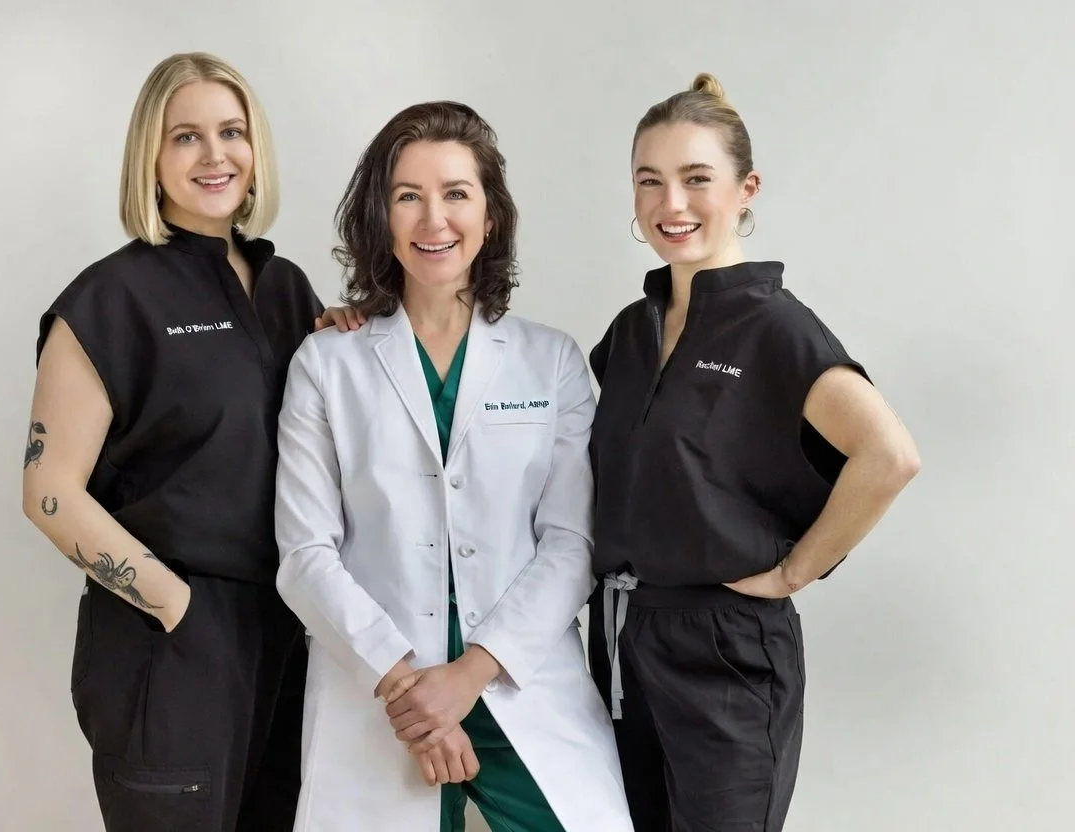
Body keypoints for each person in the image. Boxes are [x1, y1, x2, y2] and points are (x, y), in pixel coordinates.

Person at [275, 101, 633, 832]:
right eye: (408, 196)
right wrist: (412, 691)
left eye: (456, 193)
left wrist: (467, 677)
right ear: (381, 217)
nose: (433, 219)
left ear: (490, 215)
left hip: (518, 681)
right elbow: (305, 555)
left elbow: (572, 544)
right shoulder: (325, 363)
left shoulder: (552, 361)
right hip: (381, 696)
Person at [585, 72, 923, 831]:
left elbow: (889, 455)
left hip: (726, 653)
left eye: (696, 178)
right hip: (621, 642)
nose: (671, 203)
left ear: (746, 189)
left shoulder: (776, 328)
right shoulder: (632, 332)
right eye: (649, 181)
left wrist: (794, 572)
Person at [21, 52, 323, 832]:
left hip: (292, 636)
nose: (215, 155)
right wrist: (177, 609)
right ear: (149, 158)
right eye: (185, 136)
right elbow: (49, 491)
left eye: (231, 132)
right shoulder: (108, 300)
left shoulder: (286, 289)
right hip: (172, 643)